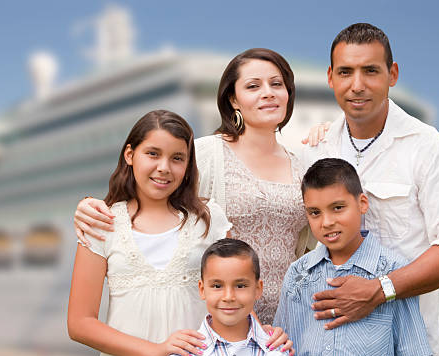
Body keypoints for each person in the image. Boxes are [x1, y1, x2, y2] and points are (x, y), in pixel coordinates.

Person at [302, 23, 439, 356]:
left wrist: (377, 291)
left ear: (393, 75)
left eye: (371, 70)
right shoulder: (314, 149)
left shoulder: (430, 149)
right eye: (346, 72)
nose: (357, 85)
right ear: (330, 78)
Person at [73, 48, 315, 325]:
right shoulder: (203, 154)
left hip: (291, 320)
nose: (268, 92)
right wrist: (87, 205)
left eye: (277, 84)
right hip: (219, 321)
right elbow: (148, 195)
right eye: (253, 86)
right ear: (234, 100)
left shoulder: (304, 167)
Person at [67, 110, 233, 356]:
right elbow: (79, 323)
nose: (164, 168)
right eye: (152, 154)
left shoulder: (209, 220)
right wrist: (156, 351)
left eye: (177, 158)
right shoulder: (102, 223)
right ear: (130, 154)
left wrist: (266, 336)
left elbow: (233, 296)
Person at [275, 158, 432, 356]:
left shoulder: (394, 272)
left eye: (338, 208)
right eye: (315, 212)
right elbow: (284, 354)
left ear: (362, 204)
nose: (326, 222)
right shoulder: (299, 274)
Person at [158, 238, 305, 356]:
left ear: (257, 289)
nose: (228, 296)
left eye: (240, 285)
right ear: (202, 289)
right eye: (217, 286)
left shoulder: (277, 353)